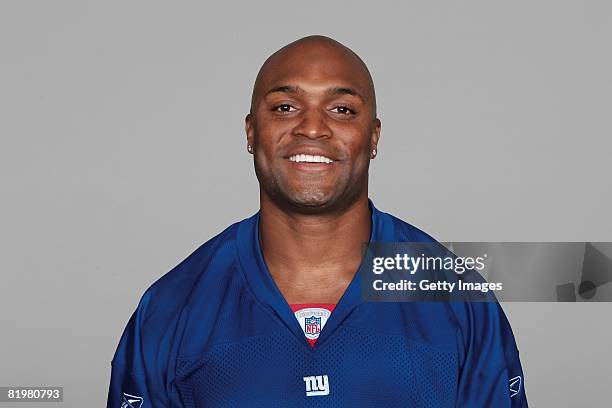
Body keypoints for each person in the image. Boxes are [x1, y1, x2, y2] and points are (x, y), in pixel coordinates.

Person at [107, 35, 528, 407]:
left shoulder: (458, 301)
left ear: (374, 137)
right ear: (252, 132)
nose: (312, 128)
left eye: (342, 109)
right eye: (286, 107)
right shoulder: (170, 309)